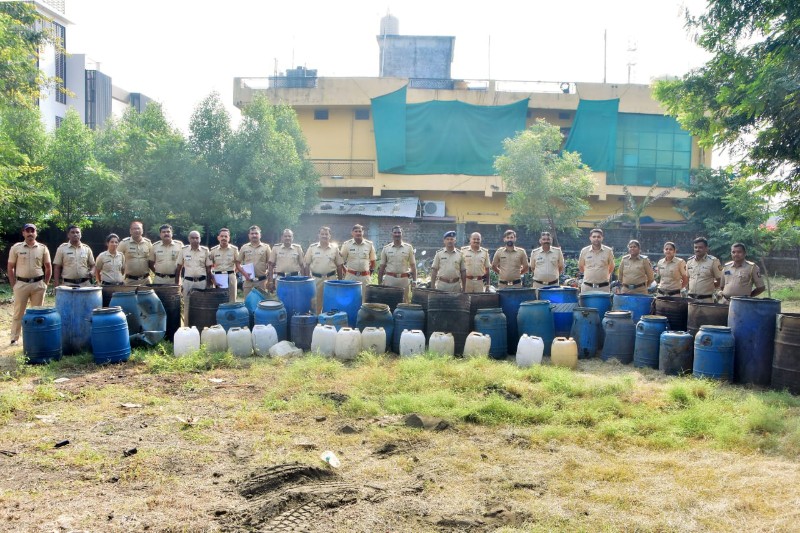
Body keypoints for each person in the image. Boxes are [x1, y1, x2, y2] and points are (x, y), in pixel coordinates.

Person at [7, 223, 51, 345]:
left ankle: (37, 337)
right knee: (18, 312)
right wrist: (13, 284)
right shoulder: (16, 248)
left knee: (38, 312)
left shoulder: (43, 248)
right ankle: (14, 338)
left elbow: (48, 267)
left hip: (38, 285)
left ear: (36, 233)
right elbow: (10, 267)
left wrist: (45, 284)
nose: (30, 233)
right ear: (23, 233)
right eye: (27, 231)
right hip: (21, 284)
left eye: (32, 231)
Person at [176, 230, 212, 325]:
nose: (195, 240)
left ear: (200, 239)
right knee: (187, 307)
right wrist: (177, 285)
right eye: (192, 238)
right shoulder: (184, 250)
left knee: (202, 305)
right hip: (188, 282)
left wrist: (209, 285)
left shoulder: (205, 251)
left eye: (197, 238)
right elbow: (179, 268)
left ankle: (202, 327)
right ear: (189, 239)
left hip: (201, 282)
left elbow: (209, 269)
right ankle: (188, 328)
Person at [304, 226, 343, 313]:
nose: (324, 236)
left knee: (331, 301)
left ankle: (329, 321)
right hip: (316, 279)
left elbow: (339, 266)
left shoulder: (334, 248)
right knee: (316, 302)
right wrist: (307, 280)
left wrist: (340, 281)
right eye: (322, 234)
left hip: (331, 279)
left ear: (330, 236)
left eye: (326, 234)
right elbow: (307, 265)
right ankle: (316, 321)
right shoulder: (312, 248)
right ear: (318, 235)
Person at [378, 226, 416, 302]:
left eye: (399, 232)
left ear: (402, 234)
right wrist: (379, 282)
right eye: (395, 232)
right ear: (392, 234)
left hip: (403, 280)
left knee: (404, 303)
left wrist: (414, 281)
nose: (397, 234)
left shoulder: (408, 248)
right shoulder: (386, 248)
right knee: (389, 302)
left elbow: (413, 265)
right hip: (390, 280)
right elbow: (382, 266)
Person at [340, 224, 376, 301]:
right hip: (351, 276)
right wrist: (345, 271)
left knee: (364, 299)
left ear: (363, 232)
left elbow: (373, 261)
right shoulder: (347, 245)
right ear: (352, 233)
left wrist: (370, 272)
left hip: (365, 277)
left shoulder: (369, 245)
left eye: (360, 231)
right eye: (356, 231)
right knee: (349, 299)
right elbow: (341, 261)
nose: (358, 233)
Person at [237, 225, 271, 298]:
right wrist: (244, 273)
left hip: (262, 281)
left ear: (260, 235)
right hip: (248, 281)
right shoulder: (244, 247)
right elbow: (237, 263)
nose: (254, 235)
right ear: (249, 235)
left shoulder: (266, 247)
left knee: (261, 304)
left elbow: (271, 264)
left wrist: (270, 279)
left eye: (256, 233)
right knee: (248, 304)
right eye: (252, 234)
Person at [578, 228, 615, 294]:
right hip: (587, 287)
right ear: (590, 238)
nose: (596, 239)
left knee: (604, 304)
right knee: (586, 304)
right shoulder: (584, 251)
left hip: (603, 287)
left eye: (598, 237)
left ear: (602, 238)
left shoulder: (608, 251)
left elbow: (611, 267)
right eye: (594, 237)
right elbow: (581, 267)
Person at [686, 237, 722, 302]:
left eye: (700, 247)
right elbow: (688, 279)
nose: (697, 249)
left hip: (706, 299)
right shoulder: (689, 261)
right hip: (691, 299)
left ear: (706, 248)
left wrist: (710, 286)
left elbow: (720, 280)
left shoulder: (713, 261)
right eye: (695, 247)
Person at [118, 220, 153, 286]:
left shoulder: (148, 243)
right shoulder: (124, 243)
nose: (136, 230)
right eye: (134, 229)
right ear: (130, 231)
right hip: (129, 281)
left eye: (138, 228)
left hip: (146, 280)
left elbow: (153, 260)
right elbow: (117, 260)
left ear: (142, 230)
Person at [210, 228, 239, 302]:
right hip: (217, 277)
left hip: (230, 277)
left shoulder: (234, 250)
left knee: (232, 300)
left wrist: (232, 274)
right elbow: (209, 266)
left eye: (226, 236)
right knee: (218, 300)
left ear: (229, 238)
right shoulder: (213, 250)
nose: (224, 238)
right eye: (222, 236)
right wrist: (213, 280)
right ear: (218, 237)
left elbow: (238, 264)